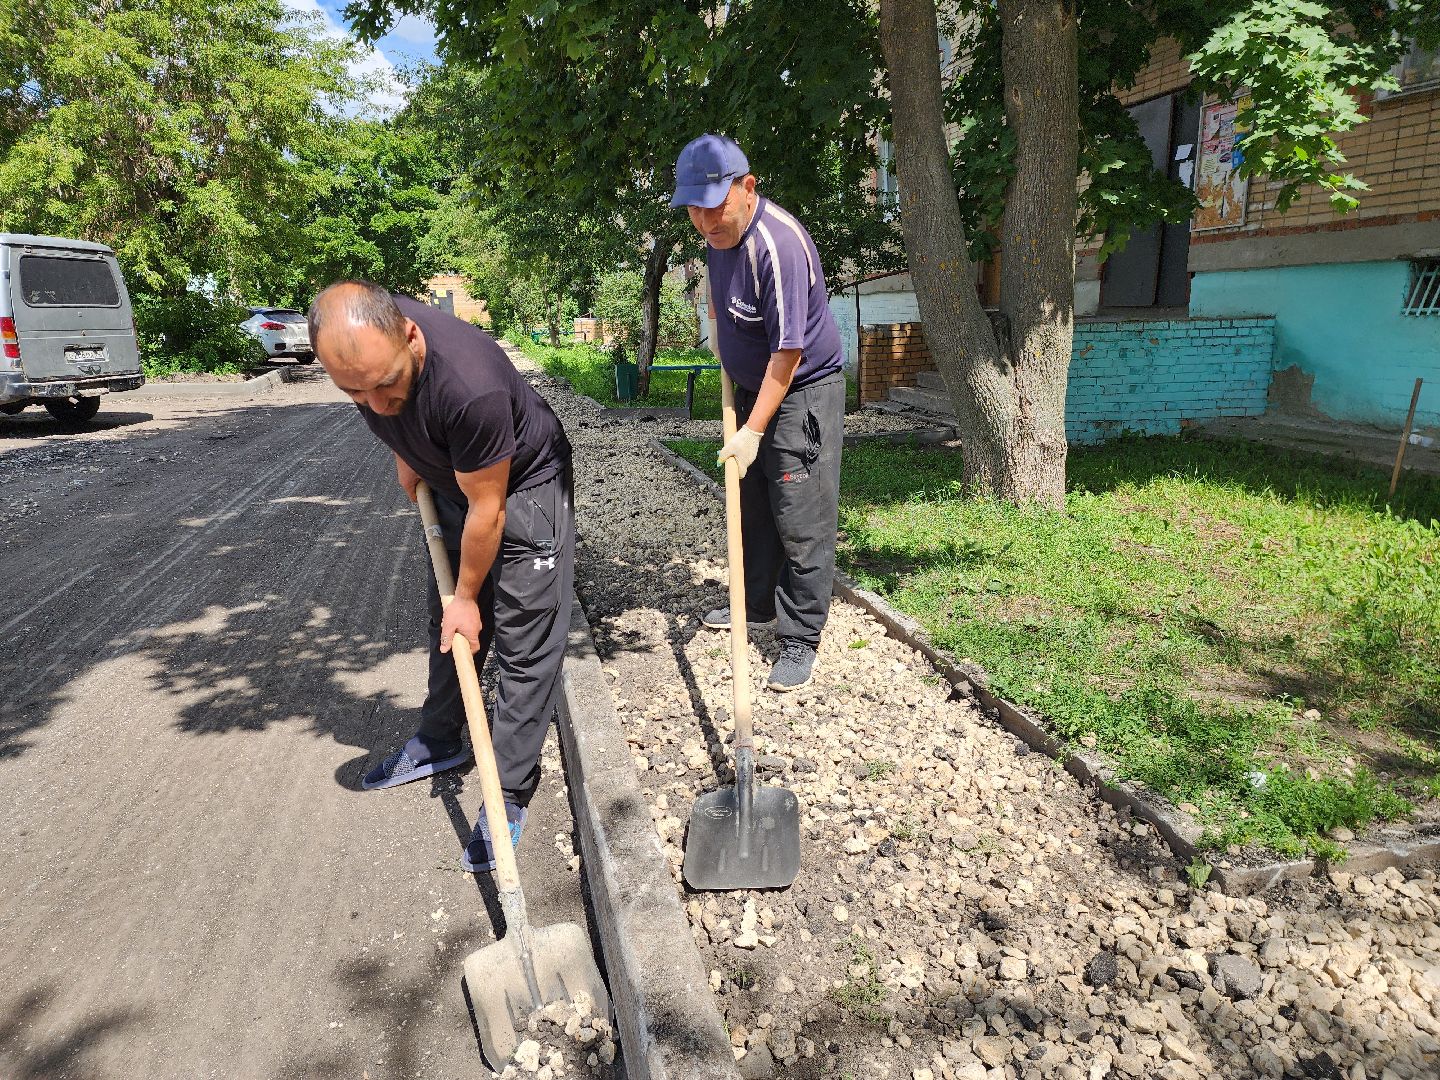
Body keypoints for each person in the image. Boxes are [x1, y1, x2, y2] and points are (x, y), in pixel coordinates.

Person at [307, 281, 574, 873]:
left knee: (524, 641)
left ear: (411, 335)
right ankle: (440, 738)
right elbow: (389, 409)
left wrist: (472, 598)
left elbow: (490, 511)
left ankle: (506, 790)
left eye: (386, 385)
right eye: (354, 392)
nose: (373, 403)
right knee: (447, 624)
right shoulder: (371, 355)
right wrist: (411, 452)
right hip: (455, 478)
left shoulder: (470, 385)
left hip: (519, 490)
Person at [671, 133, 846, 692]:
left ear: (748, 188)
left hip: (801, 390)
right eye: (693, 208)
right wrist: (719, 338)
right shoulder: (716, 238)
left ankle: (801, 636)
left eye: (714, 205)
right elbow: (718, 301)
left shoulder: (778, 246)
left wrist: (752, 430)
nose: (704, 220)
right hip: (751, 386)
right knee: (750, 507)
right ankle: (757, 605)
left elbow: (788, 353)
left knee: (800, 515)